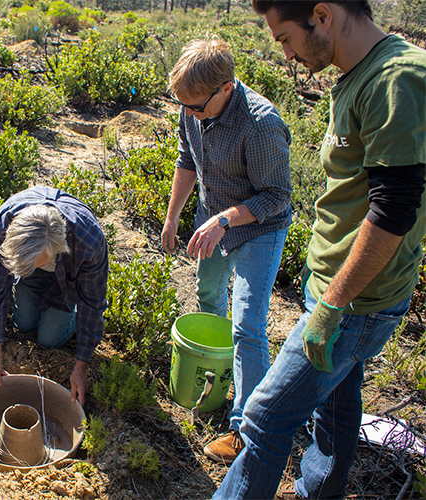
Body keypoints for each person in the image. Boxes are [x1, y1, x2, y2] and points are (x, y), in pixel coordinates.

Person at [212, 1, 426, 498]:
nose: (284, 54)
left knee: (265, 416)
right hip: (336, 288)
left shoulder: (396, 79)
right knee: (336, 403)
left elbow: (393, 213)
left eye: (285, 37)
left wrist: (331, 306)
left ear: (322, 15)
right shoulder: (356, 75)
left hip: (353, 300)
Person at [161, 38, 293, 464]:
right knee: (209, 298)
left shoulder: (260, 125)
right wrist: (172, 216)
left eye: (197, 106)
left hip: (257, 229)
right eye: (183, 105)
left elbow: (276, 198)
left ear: (226, 89)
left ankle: (245, 430)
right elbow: (187, 160)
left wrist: (223, 222)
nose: (189, 114)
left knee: (247, 326)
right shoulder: (192, 109)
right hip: (211, 220)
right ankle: (215, 381)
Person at [0, 186, 108, 405]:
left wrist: (81, 366)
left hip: (68, 278)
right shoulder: (2, 224)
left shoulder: (89, 243)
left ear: (54, 252)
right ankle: (30, 280)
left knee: (49, 339)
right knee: (23, 325)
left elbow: (93, 303)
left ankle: (70, 313)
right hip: (29, 268)